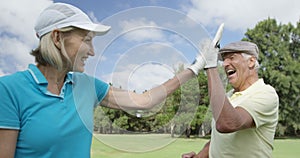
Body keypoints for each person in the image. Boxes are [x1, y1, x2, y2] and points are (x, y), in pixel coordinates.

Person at [0, 3, 222, 158]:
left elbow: (145, 101)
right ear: (58, 37)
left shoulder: (86, 85)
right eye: (87, 40)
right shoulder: (9, 90)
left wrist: (195, 66)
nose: (93, 51)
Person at [182, 41, 279, 158]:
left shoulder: (266, 93)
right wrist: (199, 157)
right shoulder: (227, 96)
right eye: (224, 60)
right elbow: (219, 140)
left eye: (231, 58)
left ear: (251, 62)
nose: (224, 64)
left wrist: (210, 67)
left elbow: (227, 124)